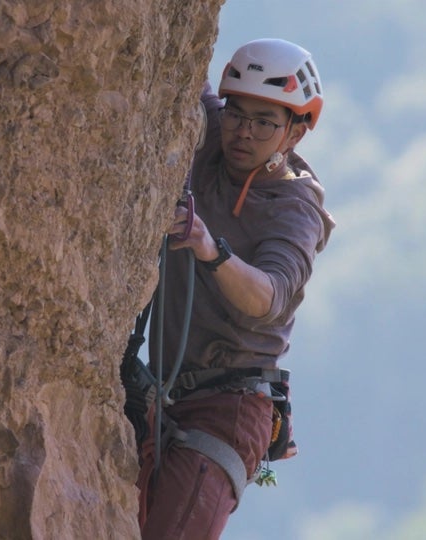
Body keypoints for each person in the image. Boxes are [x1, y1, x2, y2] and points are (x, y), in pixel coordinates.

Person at [134, 38, 336, 539]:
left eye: (264, 121)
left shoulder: (294, 207)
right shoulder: (211, 137)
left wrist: (213, 251)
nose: (243, 131)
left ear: (295, 130)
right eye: (236, 113)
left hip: (229, 408)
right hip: (159, 391)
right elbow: (179, 57)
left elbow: (269, 296)